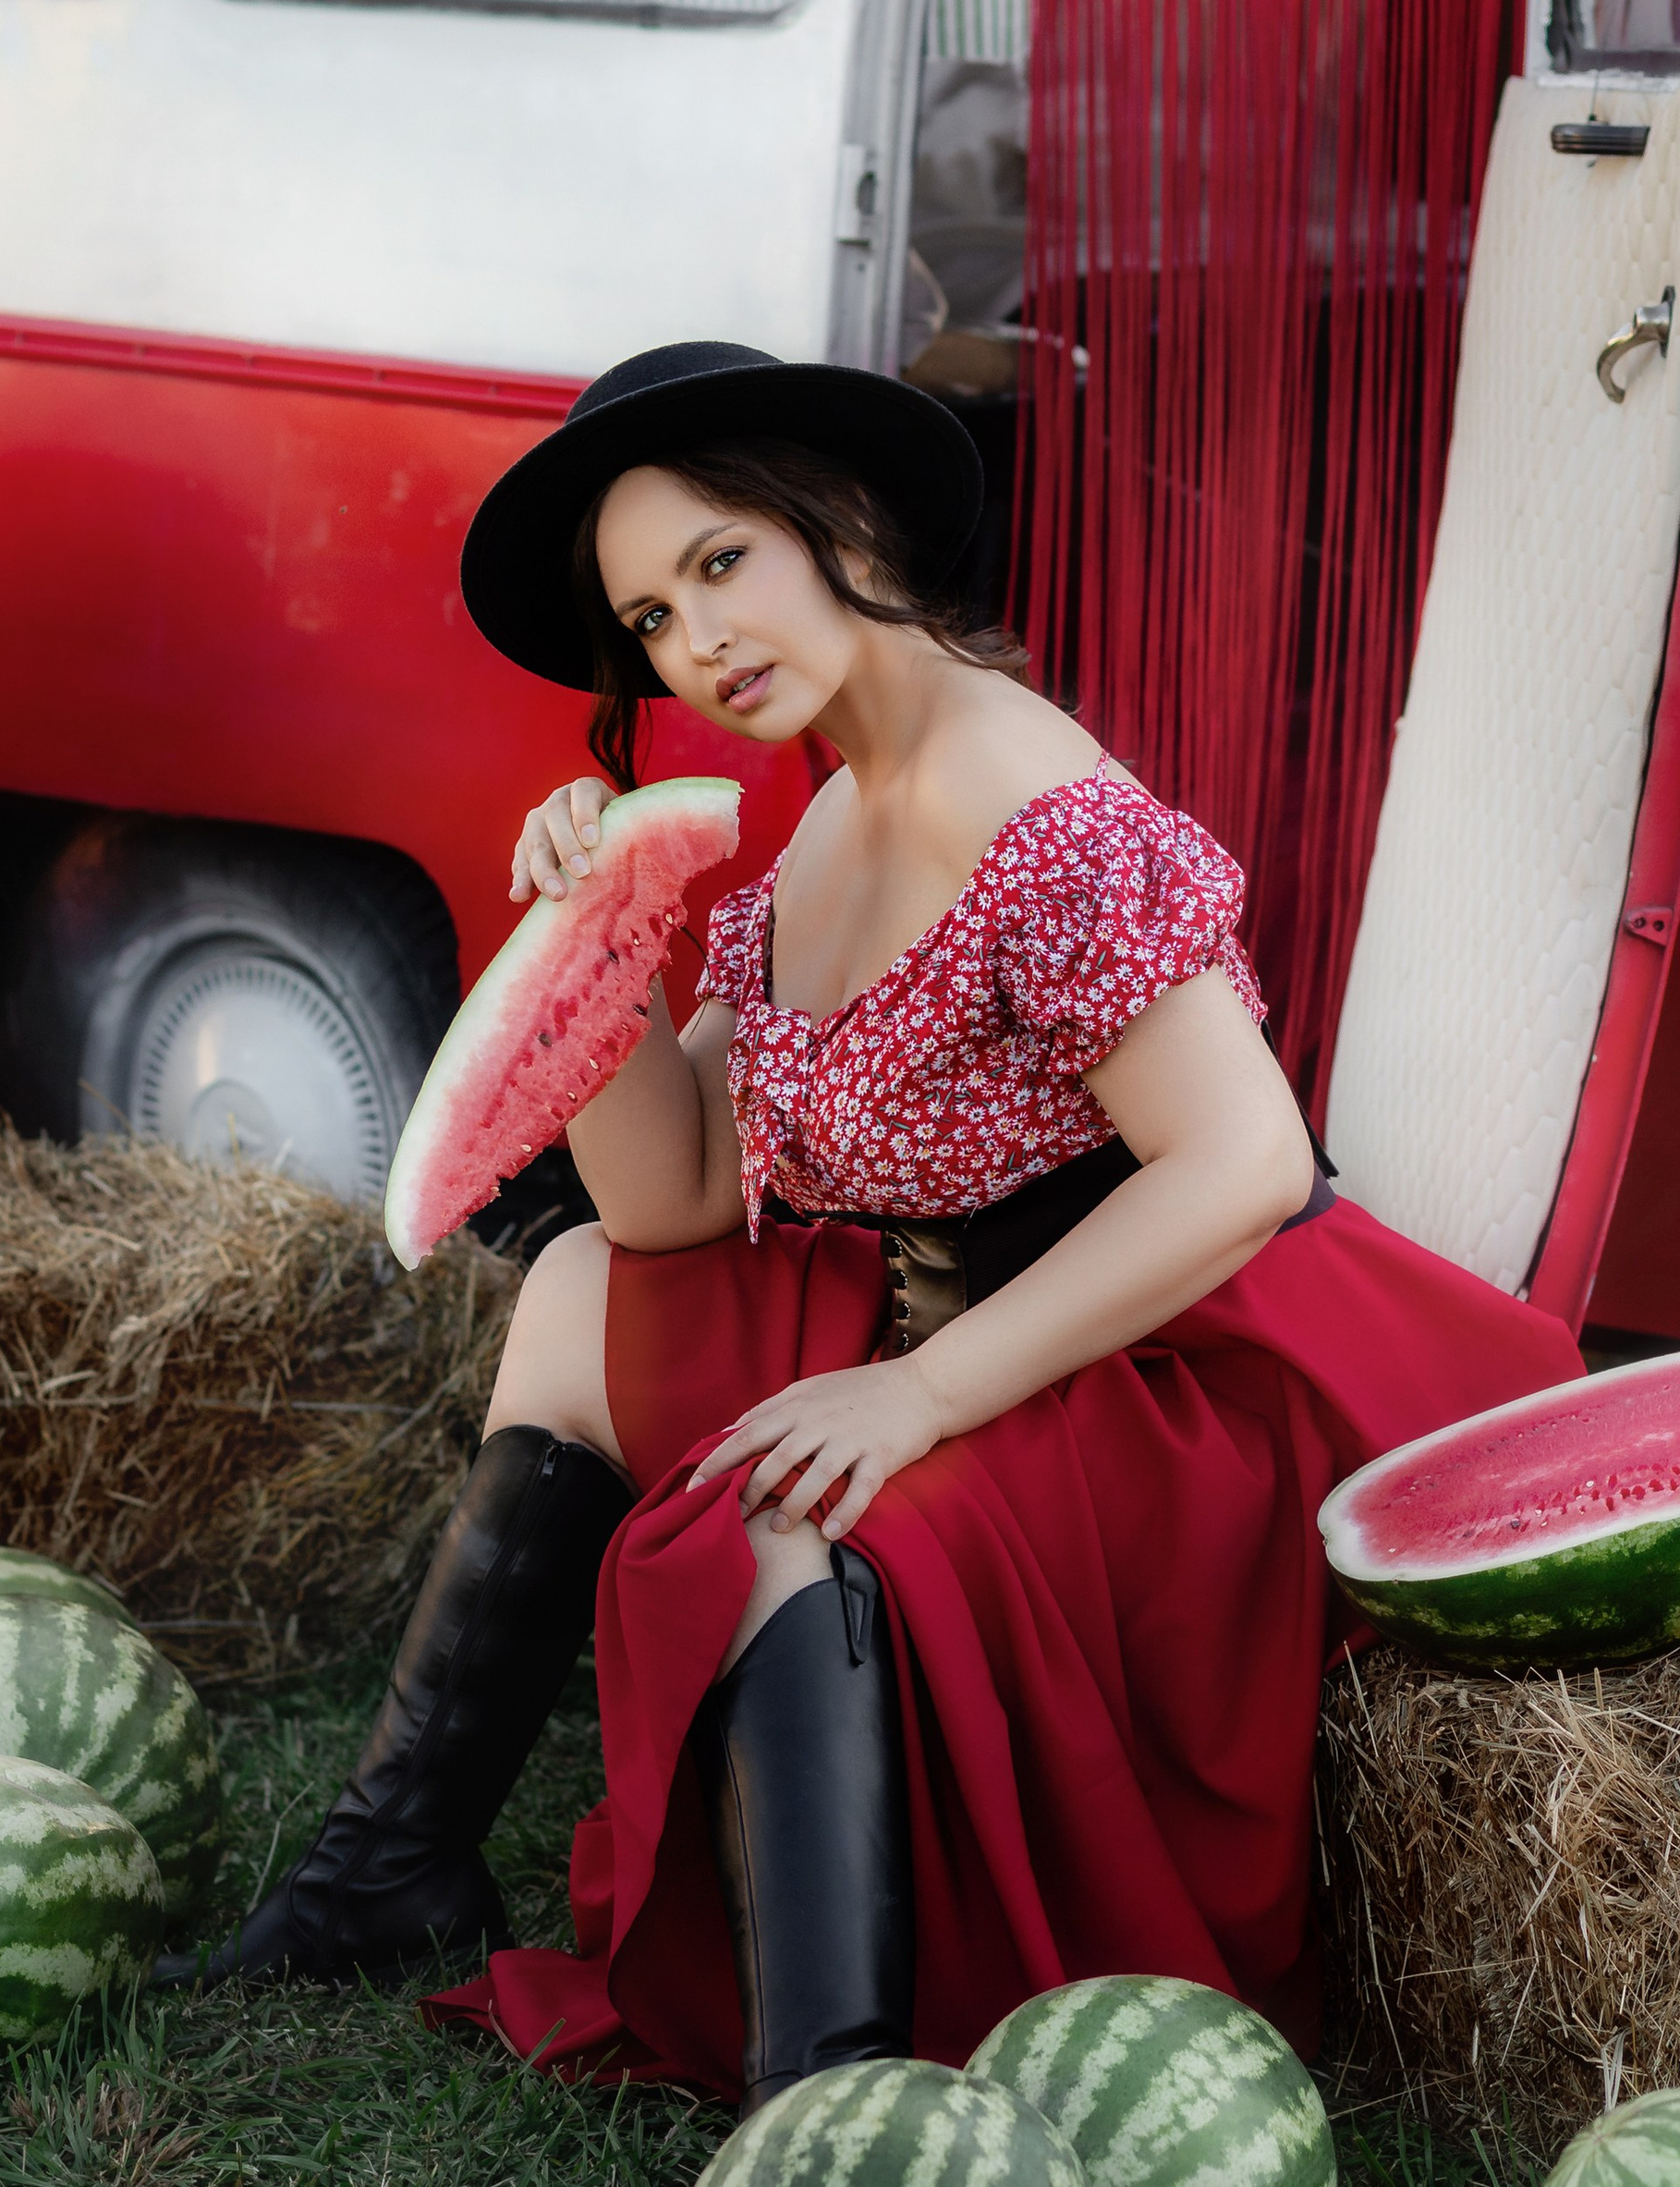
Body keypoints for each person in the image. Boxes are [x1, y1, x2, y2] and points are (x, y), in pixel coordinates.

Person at [160, 341, 1587, 2113]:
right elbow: (672, 1204)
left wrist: (915, 1402)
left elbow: (1246, 1169)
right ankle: (388, 1866)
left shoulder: (1036, 809)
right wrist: (601, 950)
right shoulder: (824, 818)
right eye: (655, 620)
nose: (698, 640)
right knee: (576, 1291)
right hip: (947, 1330)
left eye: (719, 564)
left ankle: (821, 2098)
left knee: (781, 1526)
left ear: (832, 522)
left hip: (1155, 1371)